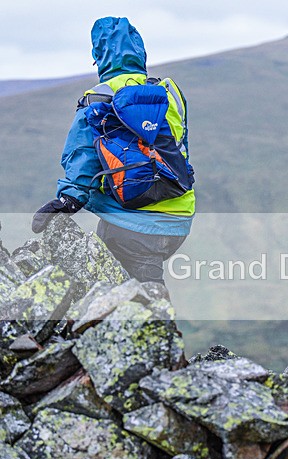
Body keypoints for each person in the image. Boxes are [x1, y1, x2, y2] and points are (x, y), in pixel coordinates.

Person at [32, 17, 194, 284]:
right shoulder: (168, 92)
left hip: (135, 225)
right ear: (141, 54)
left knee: (138, 293)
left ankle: (154, 321)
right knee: (130, 274)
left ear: (99, 57)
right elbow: (180, 147)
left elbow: (81, 156)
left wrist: (68, 202)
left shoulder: (98, 97)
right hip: (179, 217)